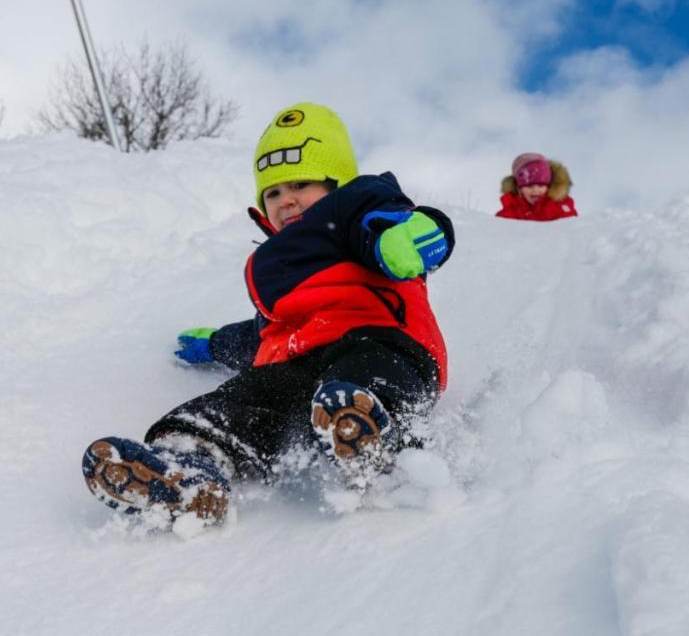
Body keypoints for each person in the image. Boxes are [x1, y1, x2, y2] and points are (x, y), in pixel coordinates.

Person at [81, 102, 455, 524]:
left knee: (362, 373)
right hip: (298, 372)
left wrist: (414, 235)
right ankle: (188, 468)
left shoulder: (354, 210)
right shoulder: (280, 268)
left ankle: (377, 434)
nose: (286, 199)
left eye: (300, 183)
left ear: (337, 185)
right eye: (273, 192)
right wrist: (214, 344)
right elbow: (259, 335)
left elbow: (390, 218)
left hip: (379, 340)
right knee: (242, 399)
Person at [496, 152, 578, 221]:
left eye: (541, 185)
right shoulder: (509, 211)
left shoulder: (559, 206)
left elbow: (570, 229)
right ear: (519, 188)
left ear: (548, 186)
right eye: (529, 186)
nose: (536, 190)